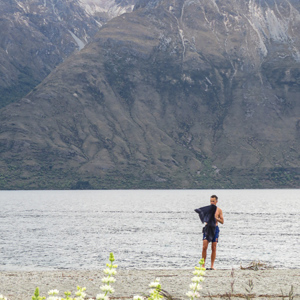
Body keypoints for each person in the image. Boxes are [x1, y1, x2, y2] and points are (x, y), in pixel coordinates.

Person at [202, 195, 224, 270]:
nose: (212, 202)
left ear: (216, 201)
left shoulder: (219, 210)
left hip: (215, 228)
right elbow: (203, 218)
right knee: (204, 247)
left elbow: (222, 221)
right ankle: (203, 265)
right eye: (211, 201)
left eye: (213, 201)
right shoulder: (207, 209)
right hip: (208, 228)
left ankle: (212, 265)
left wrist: (216, 218)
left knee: (214, 247)